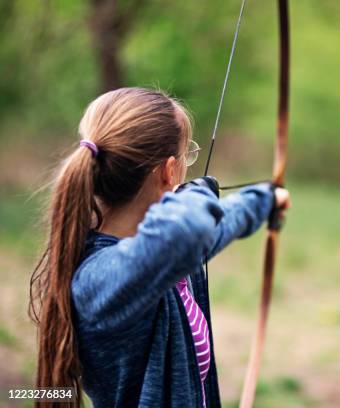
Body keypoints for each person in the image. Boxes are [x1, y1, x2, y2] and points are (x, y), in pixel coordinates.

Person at [28, 87, 290, 407]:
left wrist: (263, 200)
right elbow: (189, 229)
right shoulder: (100, 279)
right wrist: (197, 194)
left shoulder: (161, 257)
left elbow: (209, 231)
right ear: (168, 171)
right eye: (186, 155)